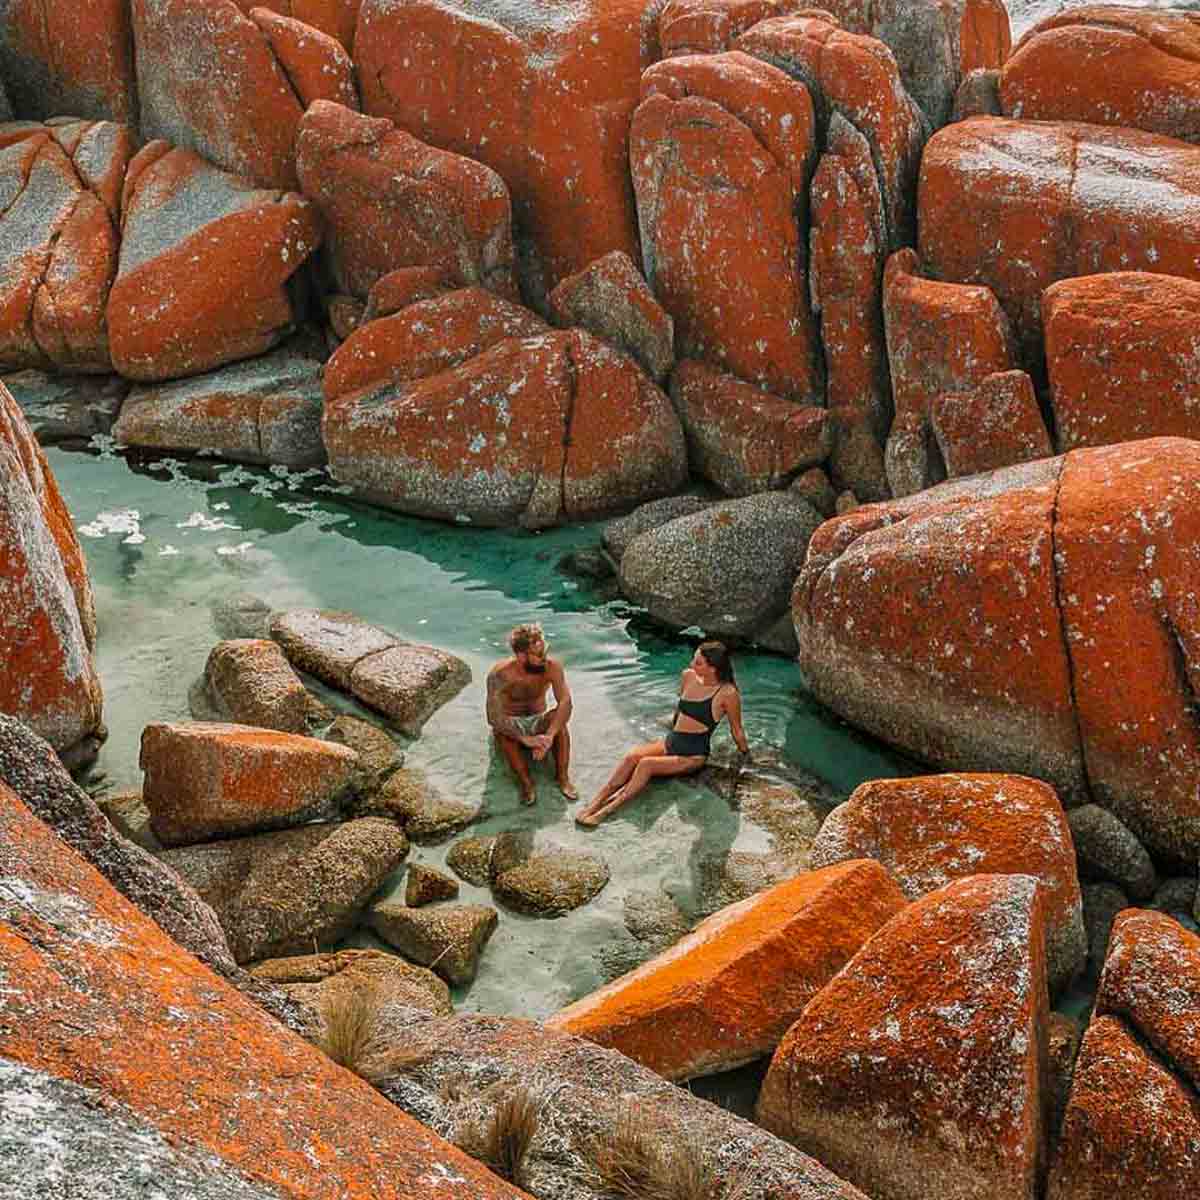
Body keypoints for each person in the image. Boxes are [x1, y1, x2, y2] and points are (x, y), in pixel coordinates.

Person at [576, 640, 748, 827]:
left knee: (646, 765)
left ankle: (608, 809)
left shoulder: (727, 693)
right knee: (631, 757)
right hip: (671, 742)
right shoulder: (688, 676)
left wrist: (746, 755)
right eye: (693, 660)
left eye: (698, 663)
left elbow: (737, 730)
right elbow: (679, 712)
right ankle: (596, 802)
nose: (692, 665)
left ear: (714, 668)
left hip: (692, 754)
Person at [486, 623, 577, 805]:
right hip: (511, 721)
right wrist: (524, 739)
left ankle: (562, 777)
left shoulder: (552, 668)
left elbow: (565, 702)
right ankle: (526, 783)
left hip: (538, 718)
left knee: (558, 722)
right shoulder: (500, 674)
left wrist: (549, 736)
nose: (545, 658)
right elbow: (493, 717)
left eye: (545, 651)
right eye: (538, 655)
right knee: (503, 734)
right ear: (521, 656)